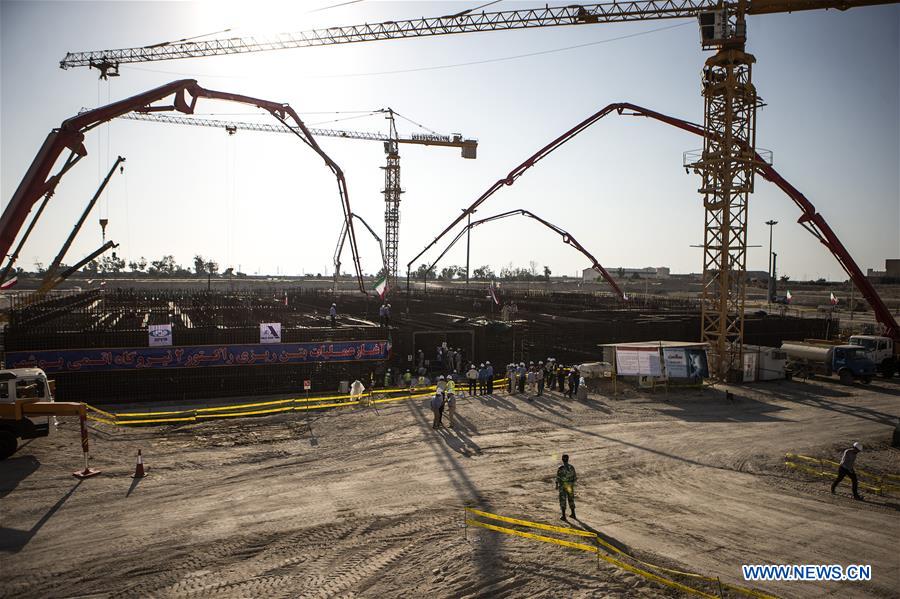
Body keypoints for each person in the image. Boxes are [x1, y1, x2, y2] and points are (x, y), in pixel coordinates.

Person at [556, 454, 577, 520]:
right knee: (571, 499)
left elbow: (558, 478)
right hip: (570, 486)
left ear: (562, 459)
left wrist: (557, 485)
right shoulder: (572, 467)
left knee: (563, 500)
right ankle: (573, 514)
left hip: (563, 487)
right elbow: (575, 478)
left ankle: (564, 516)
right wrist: (571, 484)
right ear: (568, 459)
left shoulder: (561, 468)